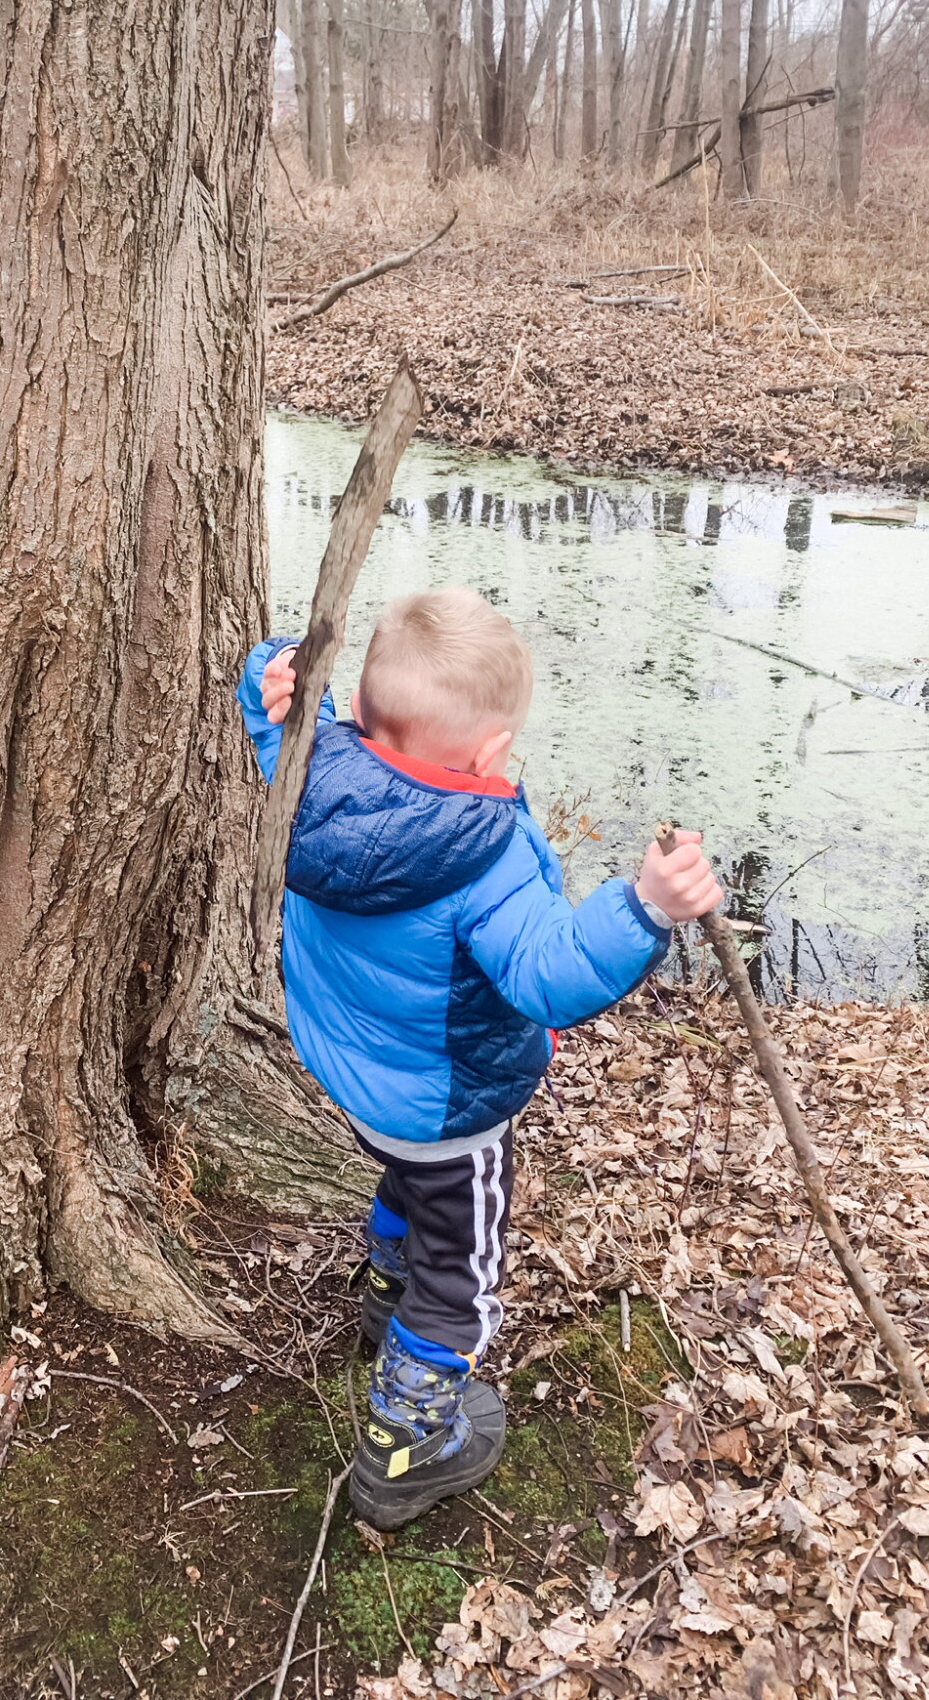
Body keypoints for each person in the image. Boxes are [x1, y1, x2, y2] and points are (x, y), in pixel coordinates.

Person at [237, 588, 722, 1530]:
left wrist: (268, 676)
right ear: (491, 755)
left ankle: (384, 1287)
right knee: (462, 1273)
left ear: (366, 713)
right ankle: (405, 1446)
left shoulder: (309, 769)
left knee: (411, 1183)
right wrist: (647, 906)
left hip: (355, 1072)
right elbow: (551, 976)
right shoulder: (482, 856)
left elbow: (268, 721)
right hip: (447, 1103)